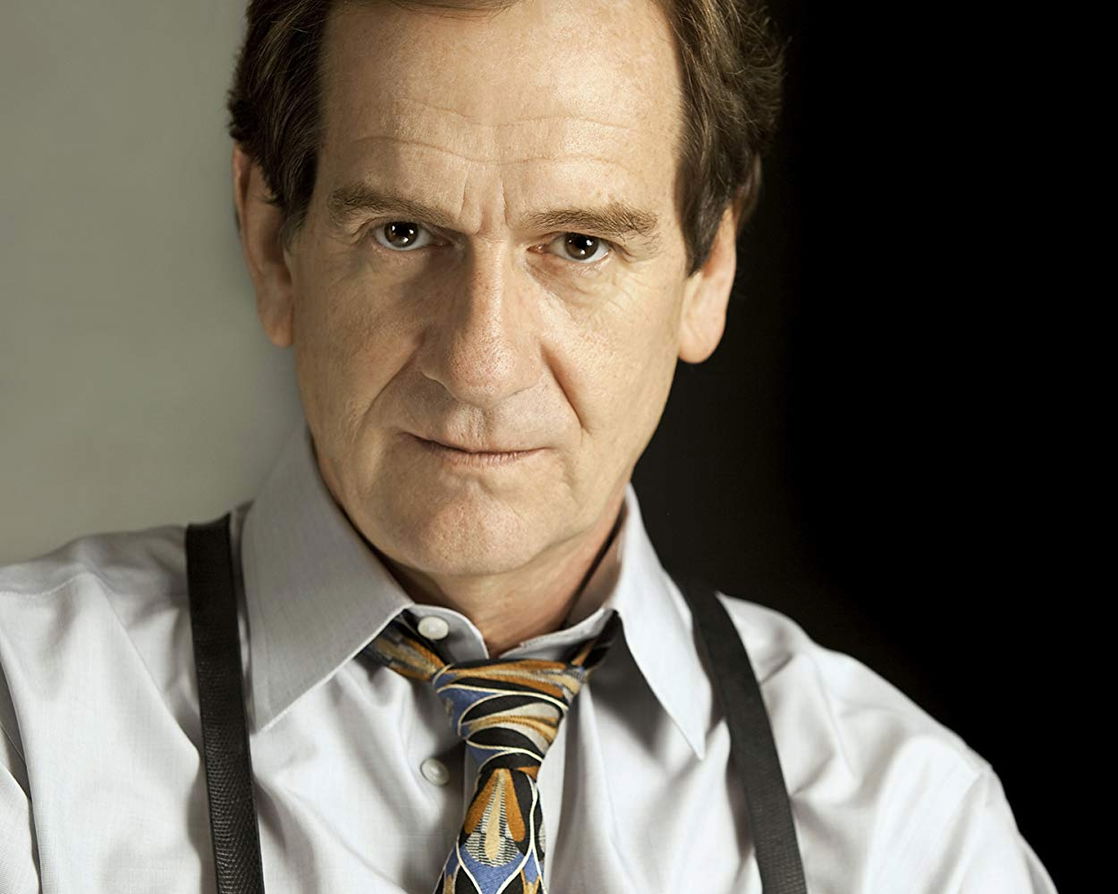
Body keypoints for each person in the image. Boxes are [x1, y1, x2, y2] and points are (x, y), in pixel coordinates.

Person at [0, 0, 1056, 891]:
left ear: (709, 272)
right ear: (273, 241)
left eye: (579, 244)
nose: (481, 363)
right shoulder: (27, 730)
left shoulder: (910, 831)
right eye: (403, 233)